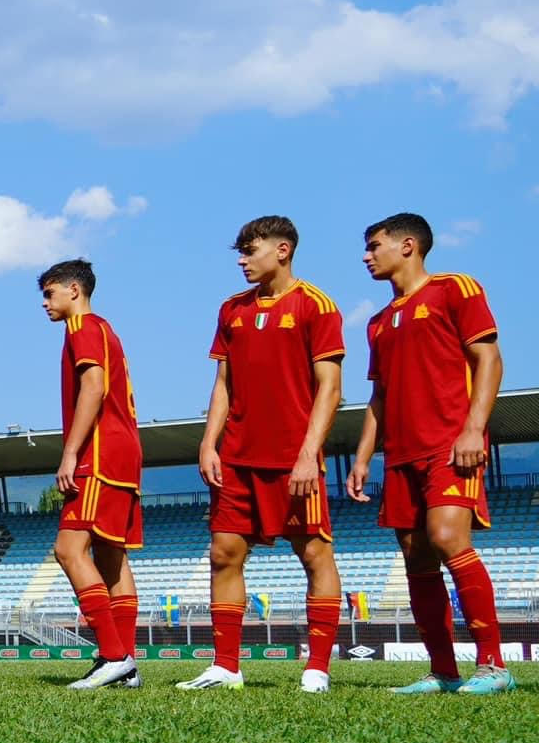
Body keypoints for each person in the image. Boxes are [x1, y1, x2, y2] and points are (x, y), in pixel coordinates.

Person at [347, 212, 512, 695]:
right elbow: (379, 397)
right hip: (401, 454)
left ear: (408, 245)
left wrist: (473, 430)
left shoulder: (454, 288)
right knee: (416, 557)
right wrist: (363, 457)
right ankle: (443, 671)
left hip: (450, 443)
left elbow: (489, 359)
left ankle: (494, 667)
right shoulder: (378, 322)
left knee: (446, 538)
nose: (366, 255)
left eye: (374, 245)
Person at [182, 217, 346, 694]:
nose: (242, 260)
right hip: (237, 456)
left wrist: (308, 454)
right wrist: (209, 443)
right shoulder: (231, 309)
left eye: (250, 251)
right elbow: (223, 384)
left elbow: (330, 388)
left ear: (283, 250)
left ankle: (317, 669)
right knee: (223, 553)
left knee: (313, 553)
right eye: (240, 252)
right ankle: (226, 667)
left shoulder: (316, 305)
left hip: (293, 458)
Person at [40, 260, 145, 690]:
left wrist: (70, 453)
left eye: (50, 293)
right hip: (124, 451)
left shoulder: (82, 327)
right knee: (111, 557)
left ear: (74, 290)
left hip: (100, 454)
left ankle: (114, 655)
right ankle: (126, 665)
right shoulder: (105, 328)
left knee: (68, 549)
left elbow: (94, 388)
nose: (45, 303)